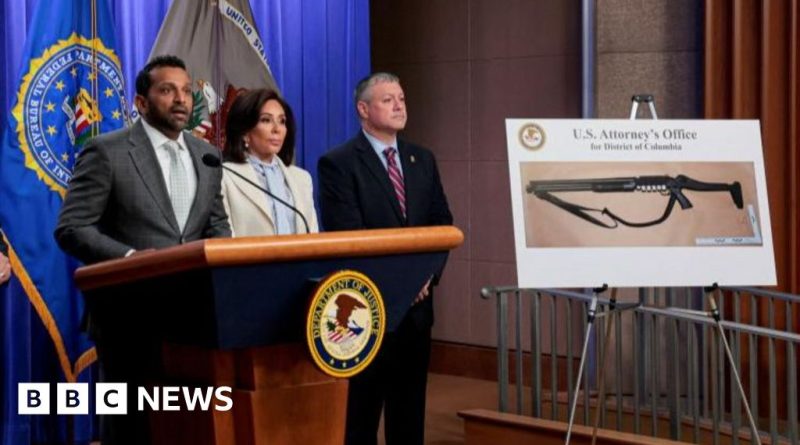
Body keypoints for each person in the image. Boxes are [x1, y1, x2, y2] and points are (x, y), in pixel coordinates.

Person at [54, 55, 231, 445]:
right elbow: (72, 227)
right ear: (141, 103)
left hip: (197, 319)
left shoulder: (208, 156)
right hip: (128, 318)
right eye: (167, 90)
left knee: (190, 427)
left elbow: (216, 226)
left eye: (186, 91)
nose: (181, 100)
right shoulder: (108, 151)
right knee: (132, 430)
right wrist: (133, 261)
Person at [317, 72, 453, 445]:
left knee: (409, 419)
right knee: (360, 418)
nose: (399, 105)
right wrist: (401, 285)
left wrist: (424, 278)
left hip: (417, 311)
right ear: (363, 109)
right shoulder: (338, 163)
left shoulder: (421, 159)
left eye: (402, 98)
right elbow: (350, 236)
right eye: (388, 99)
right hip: (366, 312)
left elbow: (443, 226)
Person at [221, 89, 318, 235]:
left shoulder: (302, 179)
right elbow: (225, 237)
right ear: (245, 132)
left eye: (282, 121)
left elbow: (313, 236)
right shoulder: (225, 176)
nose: (277, 129)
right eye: (266, 120)